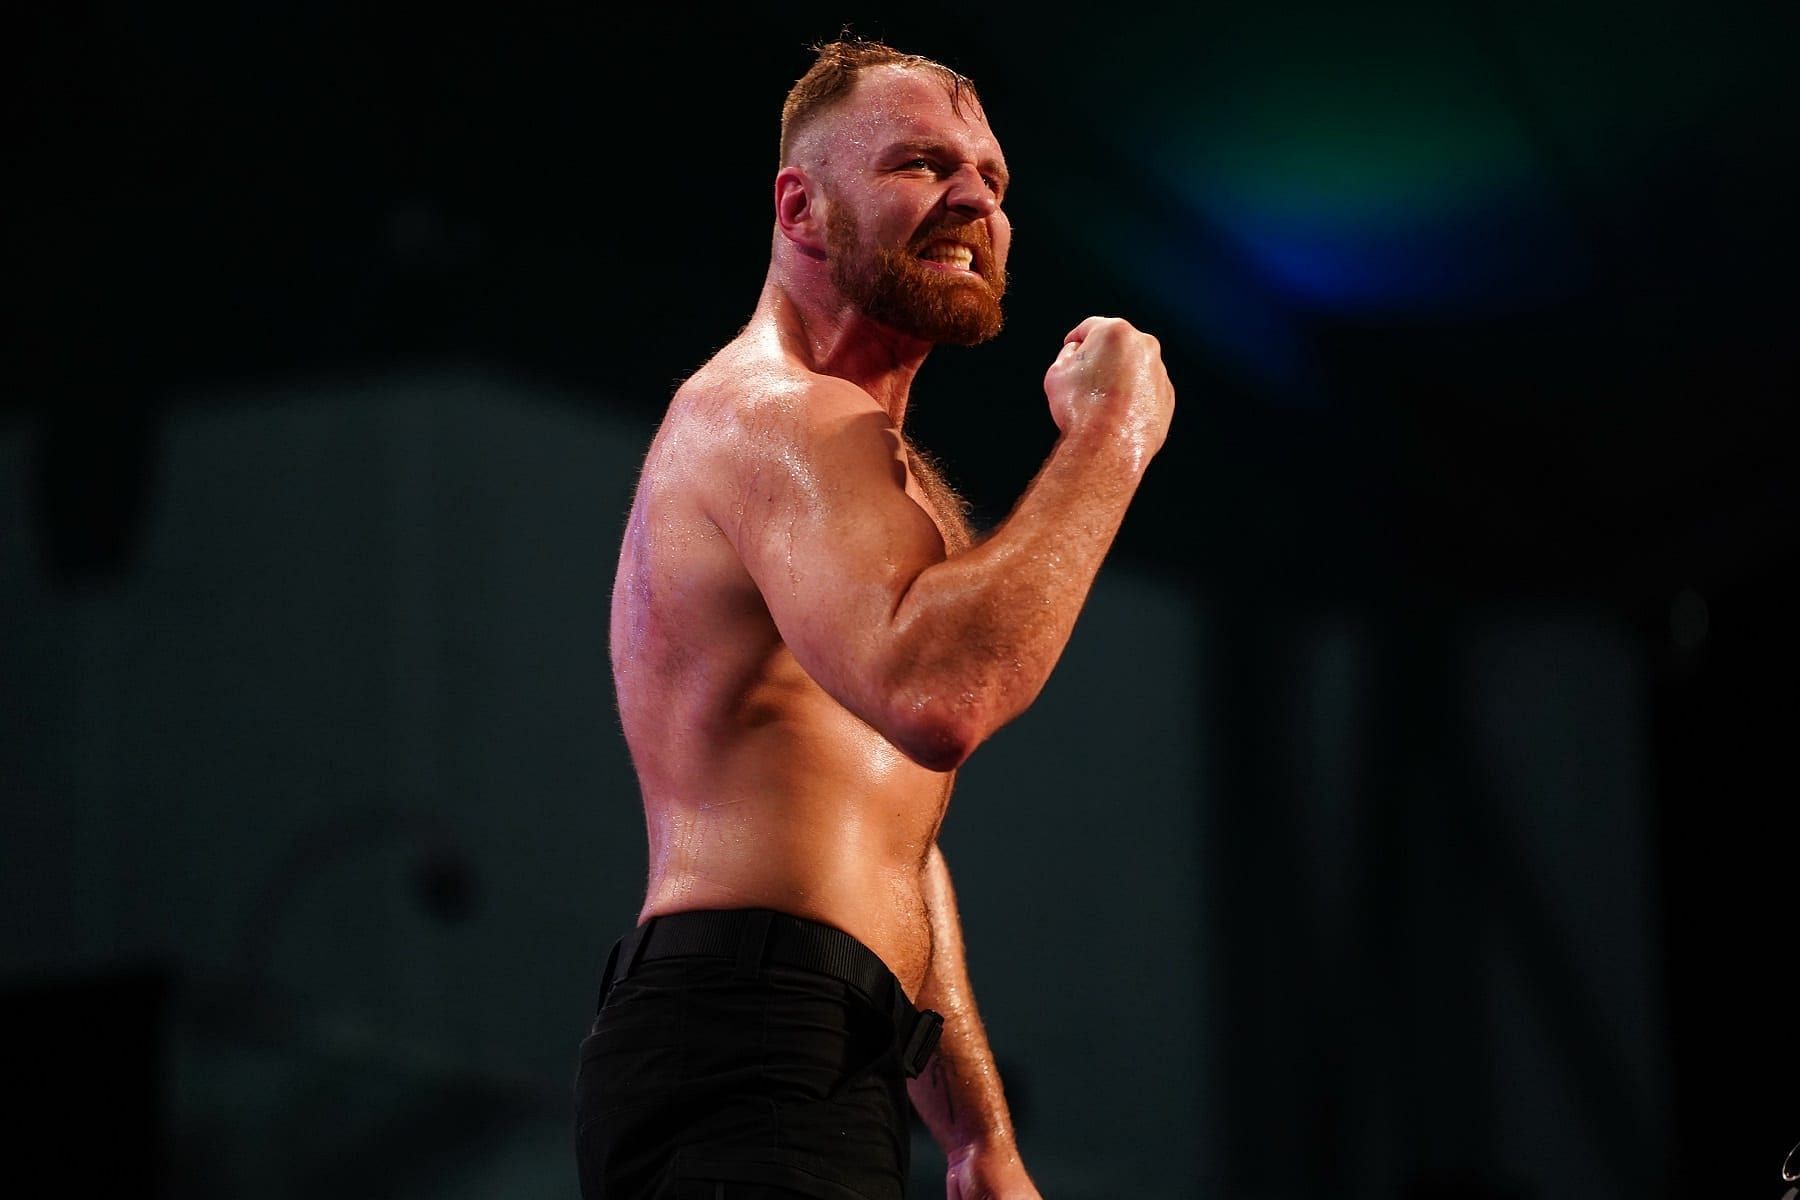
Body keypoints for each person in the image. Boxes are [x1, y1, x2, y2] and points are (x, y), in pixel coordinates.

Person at [575, 38, 1174, 1200]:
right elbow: (943, 695)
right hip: (745, 1041)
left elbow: (893, 846)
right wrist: (1114, 438)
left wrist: (974, 1137)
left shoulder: (873, 477)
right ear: (801, 206)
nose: (973, 199)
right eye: (920, 162)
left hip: (807, 1043)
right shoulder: (771, 420)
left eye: (993, 178)